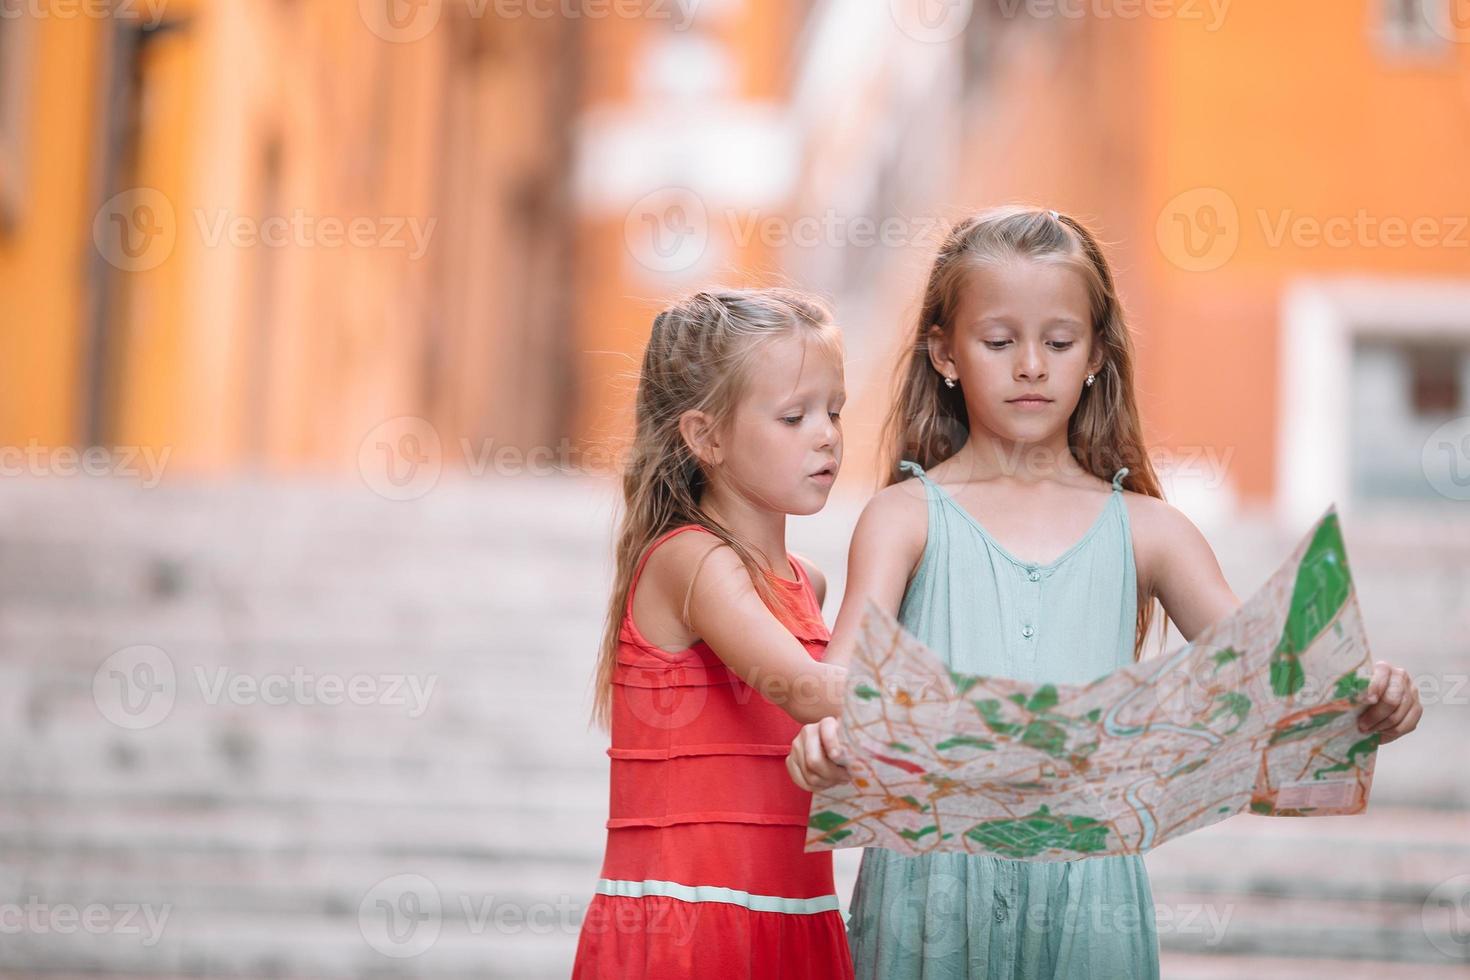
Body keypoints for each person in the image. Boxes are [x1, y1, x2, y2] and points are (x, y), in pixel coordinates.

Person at [785, 206, 1423, 979]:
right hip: (932, 879)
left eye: (1058, 342)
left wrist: (1368, 700)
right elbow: (844, 678)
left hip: (1091, 888)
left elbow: (1270, 683)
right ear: (944, 354)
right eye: (998, 341)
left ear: (1096, 357)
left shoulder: (1153, 531)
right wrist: (830, 735)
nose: (1030, 365)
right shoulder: (902, 517)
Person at [573, 288, 855, 979]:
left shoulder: (805, 584)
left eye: (835, 411)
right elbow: (812, 690)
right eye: (794, 416)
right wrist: (988, 706)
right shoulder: (690, 561)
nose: (826, 434)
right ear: (707, 437)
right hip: (689, 927)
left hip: (793, 915)